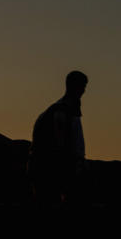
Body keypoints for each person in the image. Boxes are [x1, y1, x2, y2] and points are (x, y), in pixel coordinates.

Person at [29, 70, 88, 205]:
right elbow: (61, 144)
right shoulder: (62, 112)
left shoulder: (67, 110)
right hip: (53, 171)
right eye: (82, 87)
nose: (84, 91)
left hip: (54, 169)